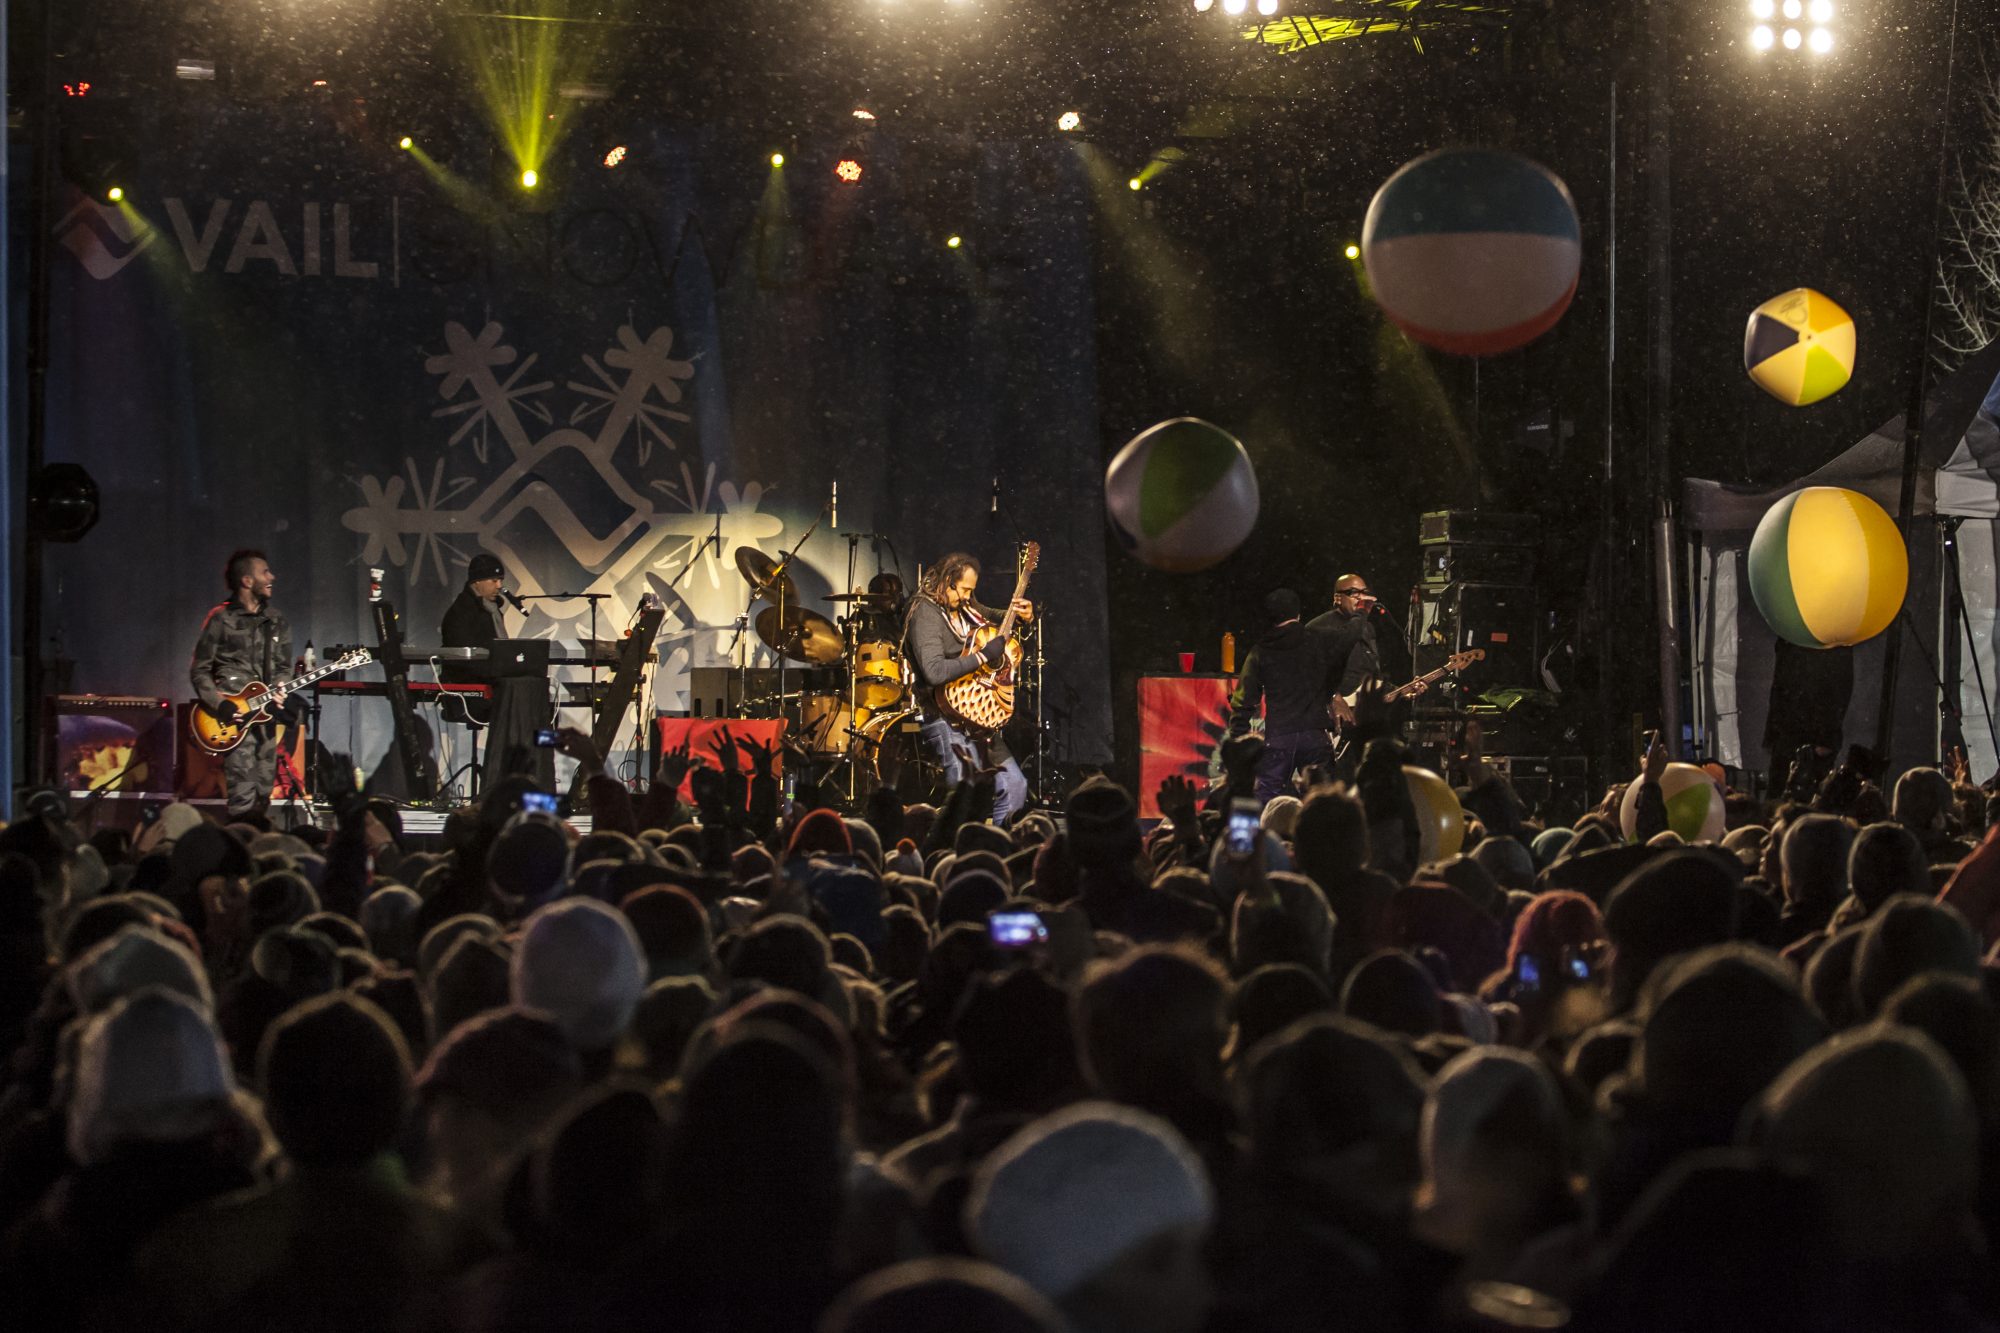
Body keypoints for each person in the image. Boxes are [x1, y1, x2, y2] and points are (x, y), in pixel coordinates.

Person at [904, 552, 1033, 825]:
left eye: (971, 591)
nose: (967, 596)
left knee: (1015, 786)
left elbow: (991, 615)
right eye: (963, 589)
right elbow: (934, 672)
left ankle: (996, 851)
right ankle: (955, 855)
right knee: (966, 792)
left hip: (976, 715)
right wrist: (983, 656)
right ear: (947, 581)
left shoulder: (963, 605)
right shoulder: (924, 612)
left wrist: (1021, 616)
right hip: (943, 715)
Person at [190, 549, 294, 819]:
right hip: (234, 720)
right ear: (247, 581)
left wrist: (282, 686)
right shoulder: (221, 619)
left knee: (263, 793)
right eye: (265, 572)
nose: (272, 577)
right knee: (242, 796)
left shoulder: (276, 620)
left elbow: (284, 667)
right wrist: (220, 704)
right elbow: (200, 670)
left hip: (266, 718)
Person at [440, 552, 553, 794]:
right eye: (494, 580)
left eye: (500, 580)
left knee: (540, 695)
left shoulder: (493, 610)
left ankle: (537, 773)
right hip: (472, 689)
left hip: (498, 681)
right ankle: (507, 776)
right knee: (520, 697)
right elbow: (462, 660)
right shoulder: (460, 614)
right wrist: (497, 672)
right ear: (476, 582)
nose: (499, 586)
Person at [1226, 589, 1337, 803]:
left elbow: (1243, 699)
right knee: (1322, 800)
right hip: (1314, 733)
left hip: (1279, 735)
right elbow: (1336, 669)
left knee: (1265, 800)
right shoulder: (1318, 642)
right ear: (1298, 614)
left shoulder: (1261, 650)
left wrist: (1237, 739)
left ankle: (1262, 835)